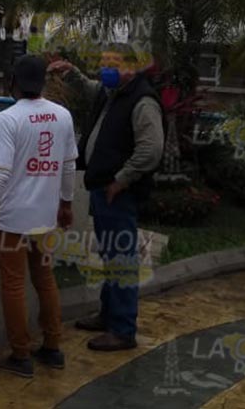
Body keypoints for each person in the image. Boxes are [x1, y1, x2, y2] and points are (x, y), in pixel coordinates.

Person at [48, 43, 164, 352]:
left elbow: (151, 150)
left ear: (131, 68)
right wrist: (71, 73)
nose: (105, 69)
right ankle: (108, 314)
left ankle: (123, 329)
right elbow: (90, 88)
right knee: (111, 256)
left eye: (111, 64)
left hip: (118, 193)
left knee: (122, 259)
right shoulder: (113, 92)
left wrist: (121, 181)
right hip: (103, 188)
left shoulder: (141, 101)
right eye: (102, 63)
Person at [0, 55, 77, 378]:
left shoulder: (8, 118)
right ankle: (53, 347)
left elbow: (0, 176)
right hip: (45, 217)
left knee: (14, 285)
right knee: (45, 279)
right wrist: (66, 204)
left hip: (13, 220)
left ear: (13, 82)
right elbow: (69, 165)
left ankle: (20, 354)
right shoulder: (62, 116)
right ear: (43, 82)